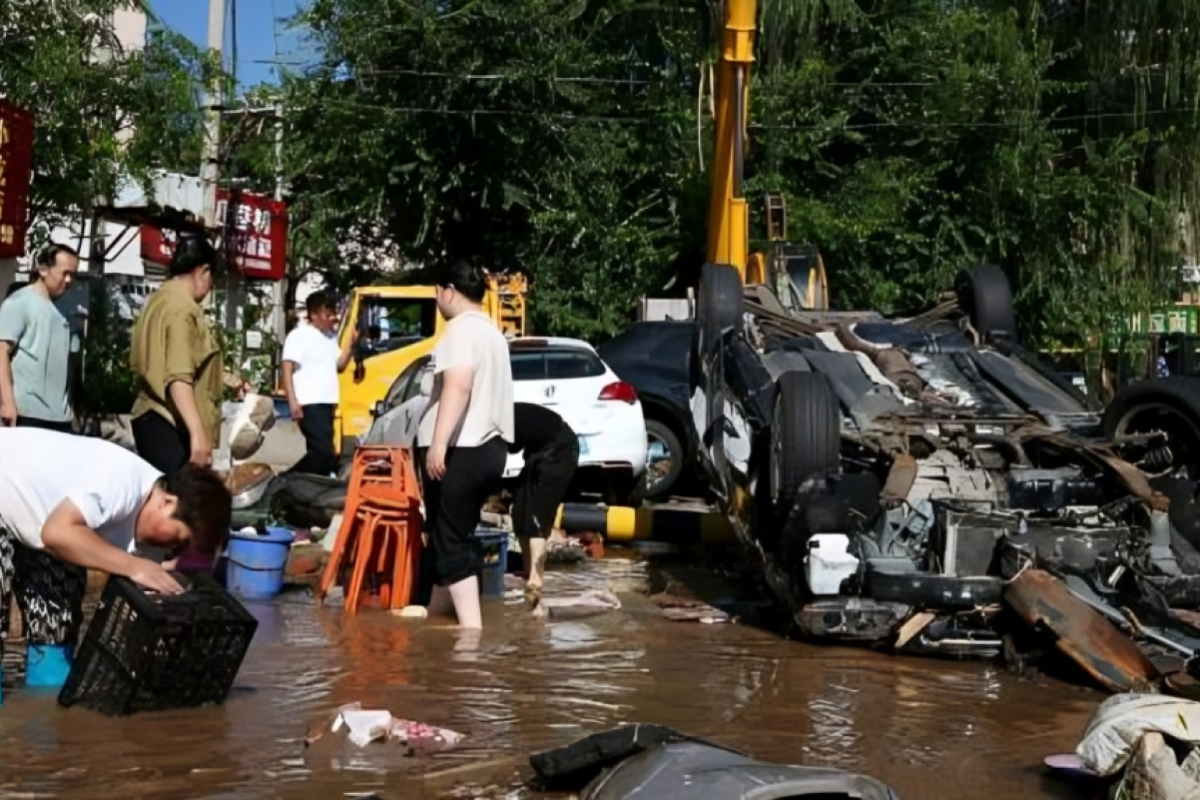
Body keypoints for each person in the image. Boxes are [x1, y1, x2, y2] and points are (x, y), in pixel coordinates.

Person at [0, 427, 231, 684]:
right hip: (17, 495)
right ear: (167, 502)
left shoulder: (152, 538)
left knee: (55, 634)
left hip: (40, 522)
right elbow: (57, 532)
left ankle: (43, 714)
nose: (172, 548)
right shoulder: (120, 480)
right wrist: (133, 566)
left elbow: (134, 611)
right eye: (178, 539)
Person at [416, 259, 513, 629]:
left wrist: (439, 443)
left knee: (451, 537)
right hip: (492, 449)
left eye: (436, 292)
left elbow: (459, 384)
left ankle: (470, 635)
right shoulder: (493, 334)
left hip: (463, 449)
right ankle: (438, 611)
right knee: (452, 530)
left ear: (448, 291)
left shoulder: (458, 330)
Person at [130, 232, 241, 472]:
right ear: (203, 271)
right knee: (183, 505)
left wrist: (231, 380)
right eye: (212, 279)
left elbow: (184, 360)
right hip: (170, 424)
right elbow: (178, 377)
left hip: (148, 419)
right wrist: (198, 434)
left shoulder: (156, 301)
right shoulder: (183, 309)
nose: (211, 286)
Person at [0, 243, 80, 432]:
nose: (69, 280)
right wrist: (7, 403)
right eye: (64, 273)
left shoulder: (64, 309)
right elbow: (1, 352)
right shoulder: (19, 303)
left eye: (73, 275)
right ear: (43, 269)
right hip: (27, 415)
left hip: (60, 417)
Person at [281, 291, 356, 476]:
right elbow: (286, 367)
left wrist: (351, 345)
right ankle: (286, 480)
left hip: (327, 402)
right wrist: (292, 401)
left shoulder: (330, 338)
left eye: (333, 313)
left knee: (326, 455)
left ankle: (312, 489)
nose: (332, 318)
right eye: (327, 314)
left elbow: (339, 365)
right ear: (313, 314)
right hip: (309, 403)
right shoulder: (299, 335)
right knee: (322, 454)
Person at [509, 403, 579, 592]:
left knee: (536, 515)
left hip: (561, 450)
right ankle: (527, 570)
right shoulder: (501, 418)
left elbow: (512, 448)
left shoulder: (502, 421)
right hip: (538, 453)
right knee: (520, 511)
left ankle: (536, 576)